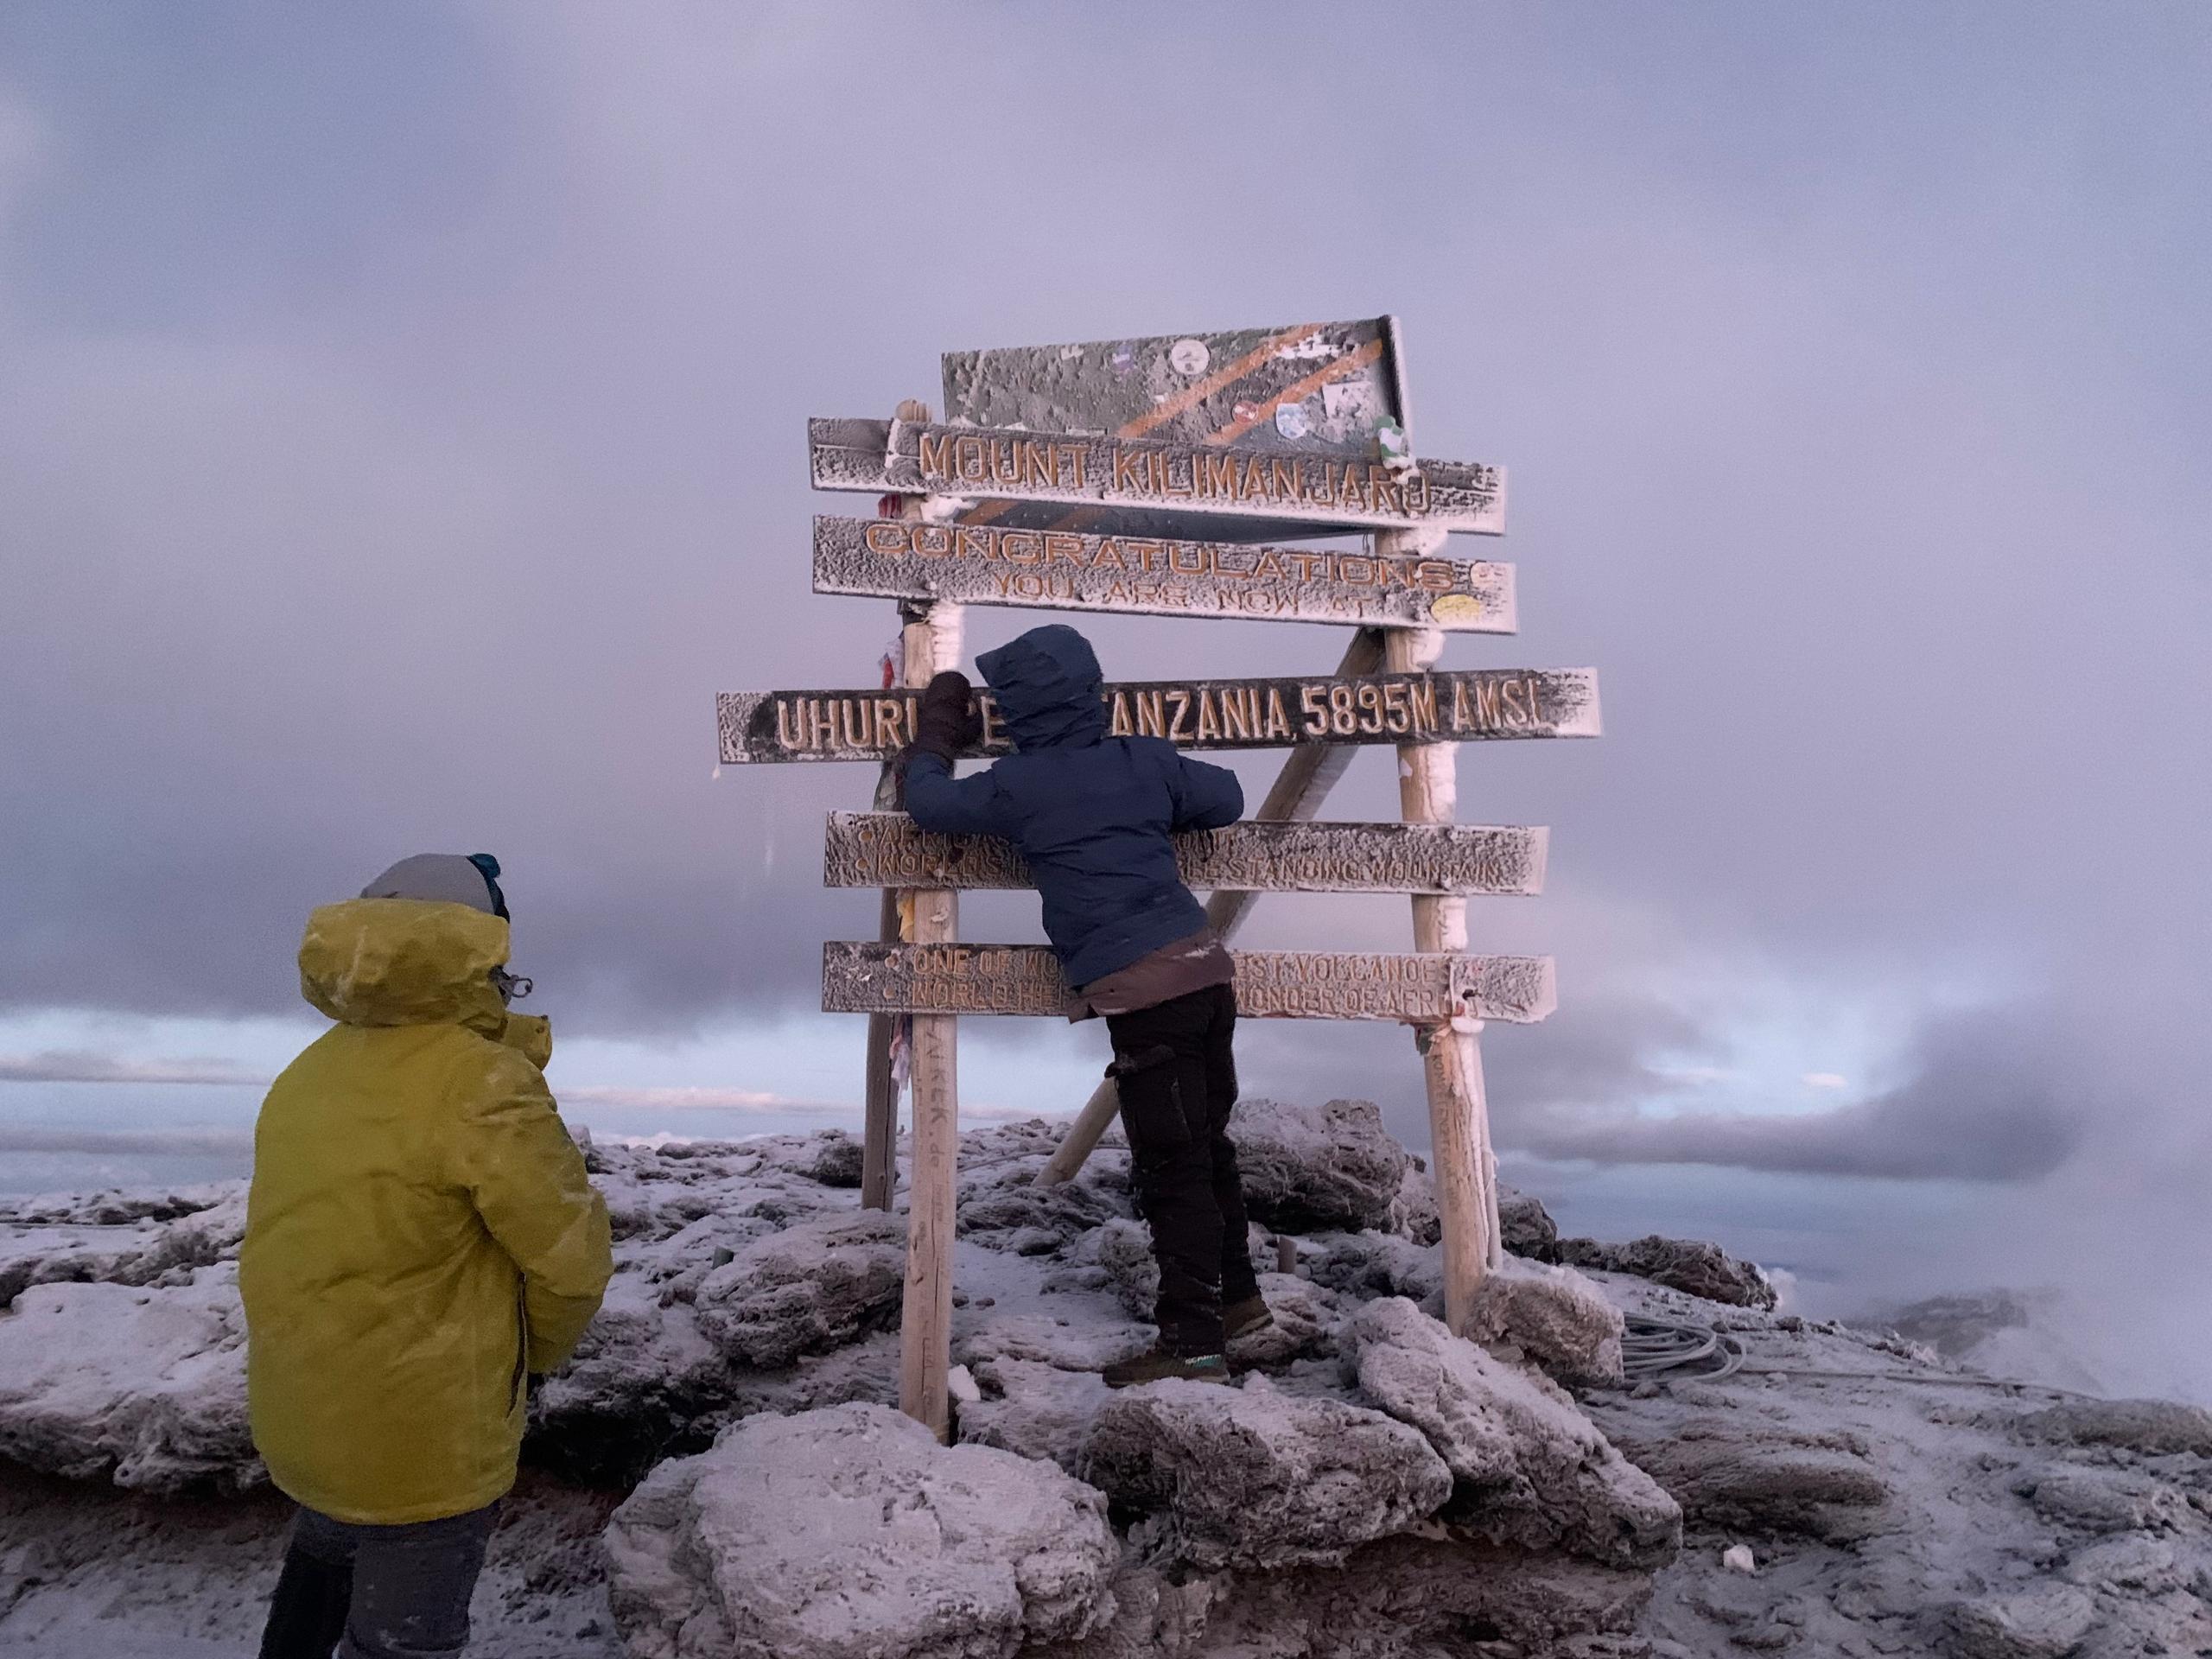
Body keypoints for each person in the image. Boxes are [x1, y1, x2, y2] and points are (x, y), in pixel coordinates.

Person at [240, 854, 613, 1659]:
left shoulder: (306, 1074)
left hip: (306, 1413)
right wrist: (528, 1366)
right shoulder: (479, 1084)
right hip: (428, 1439)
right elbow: (572, 1263)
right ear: (477, 948)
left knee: (318, 1583)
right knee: (402, 1642)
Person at [903, 623, 1269, 1387]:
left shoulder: (1019, 785)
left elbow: (928, 804)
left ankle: (1195, 1344)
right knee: (1207, 1149)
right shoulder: (1142, 758)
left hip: (1145, 996)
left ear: (1021, 712)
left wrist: (940, 726)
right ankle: (1237, 1302)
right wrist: (1156, 792)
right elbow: (1227, 798)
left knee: (1172, 1168)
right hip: (1206, 976)